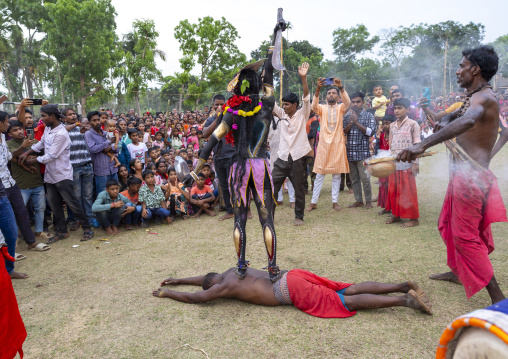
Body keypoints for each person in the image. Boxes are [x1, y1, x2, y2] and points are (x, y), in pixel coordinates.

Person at [397, 45, 507, 304]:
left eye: (462, 66)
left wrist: (422, 144)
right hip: (463, 176)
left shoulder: (485, 98)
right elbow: (451, 119)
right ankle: (458, 271)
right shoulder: (473, 97)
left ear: (475, 70)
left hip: (472, 179)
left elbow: (469, 121)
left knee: (465, 236)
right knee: (446, 224)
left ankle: (499, 299)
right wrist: (440, 120)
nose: (457, 71)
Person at [183, 19, 286, 282]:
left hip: (240, 169)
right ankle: (272, 268)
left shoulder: (231, 114)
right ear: (258, 86)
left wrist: (194, 174)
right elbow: (270, 75)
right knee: (266, 219)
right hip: (260, 166)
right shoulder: (267, 104)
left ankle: (241, 266)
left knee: (239, 219)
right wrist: (274, 41)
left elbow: (211, 142)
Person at [152, 267, 433, 317]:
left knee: (344, 301)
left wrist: (167, 294)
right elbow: (202, 279)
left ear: (215, 286)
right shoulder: (229, 272)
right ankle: (401, 286)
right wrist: (177, 280)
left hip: (288, 289)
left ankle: (404, 300)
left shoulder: (223, 286)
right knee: (347, 287)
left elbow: (196, 297)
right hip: (293, 274)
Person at [20, 105, 94, 242]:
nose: (41, 119)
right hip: (50, 175)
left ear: (52, 117)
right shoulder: (48, 129)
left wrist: (33, 160)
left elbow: (52, 155)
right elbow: (40, 144)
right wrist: (27, 153)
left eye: (43, 116)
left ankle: (87, 228)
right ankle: (61, 231)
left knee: (72, 203)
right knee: (55, 205)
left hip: (62, 175)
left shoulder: (61, 134)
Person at [271, 62, 312, 226]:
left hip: (298, 158)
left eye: (287, 104)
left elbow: (306, 98)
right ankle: (269, 216)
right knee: (271, 189)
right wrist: (265, 81)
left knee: (299, 190)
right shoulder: (281, 114)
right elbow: (270, 100)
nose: (284, 107)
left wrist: (303, 78)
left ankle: (299, 217)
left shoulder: (303, 114)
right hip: (281, 159)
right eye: (283, 104)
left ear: (295, 105)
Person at [306, 77, 350, 212]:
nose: (331, 95)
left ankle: (335, 202)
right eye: (329, 93)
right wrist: (318, 89)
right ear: (326, 97)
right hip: (324, 145)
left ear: (338, 97)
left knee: (336, 175)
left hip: (338, 144)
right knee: (320, 174)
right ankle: (313, 202)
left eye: (334, 93)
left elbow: (348, 102)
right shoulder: (322, 108)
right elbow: (313, 106)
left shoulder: (341, 108)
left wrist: (341, 87)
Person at [6, 120, 53, 243]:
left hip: (37, 182)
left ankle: (39, 231)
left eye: (20, 129)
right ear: (9, 133)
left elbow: (45, 155)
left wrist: (35, 158)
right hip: (21, 184)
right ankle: (14, 236)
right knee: (19, 211)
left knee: (40, 208)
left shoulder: (34, 142)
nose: (19, 132)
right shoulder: (8, 144)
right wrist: (24, 150)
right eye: (15, 130)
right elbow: (11, 156)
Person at [385, 98, 421, 228]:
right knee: (394, 189)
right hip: (395, 163)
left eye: (400, 108)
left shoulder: (413, 124)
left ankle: (413, 218)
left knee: (408, 191)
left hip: (408, 163)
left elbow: (417, 145)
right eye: (395, 108)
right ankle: (396, 214)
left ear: (407, 109)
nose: (396, 110)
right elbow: (391, 145)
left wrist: (416, 162)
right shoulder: (392, 126)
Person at [202, 94, 235, 221]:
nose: (219, 107)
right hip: (218, 156)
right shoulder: (211, 120)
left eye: (222, 104)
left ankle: (243, 209)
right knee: (224, 185)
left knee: (236, 184)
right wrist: (217, 119)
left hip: (232, 155)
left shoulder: (231, 116)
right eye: (217, 104)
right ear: (213, 105)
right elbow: (204, 133)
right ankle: (229, 210)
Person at [63, 108, 97, 228]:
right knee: (76, 196)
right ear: (64, 118)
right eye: (69, 114)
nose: (73, 116)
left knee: (88, 195)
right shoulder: (63, 130)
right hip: (73, 167)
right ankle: (79, 219)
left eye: (74, 114)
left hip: (87, 165)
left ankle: (89, 217)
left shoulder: (82, 129)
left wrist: (85, 129)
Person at [343, 92, 377, 209]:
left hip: (363, 153)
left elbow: (371, 132)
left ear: (363, 103)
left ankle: (368, 201)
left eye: (358, 102)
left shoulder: (368, 116)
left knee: (365, 179)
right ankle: (358, 200)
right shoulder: (347, 116)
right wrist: (351, 122)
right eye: (353, 102)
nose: (355, 104)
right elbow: (344, 132)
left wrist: (356, 122)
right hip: (350, 153)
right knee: (354, 179)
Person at [84, 111, 119, 195]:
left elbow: (117, 149)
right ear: (89, 122)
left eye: (98, 120)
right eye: (94, 120)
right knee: (103, 195)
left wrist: (110, 147)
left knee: (115, 194)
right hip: (101, 171)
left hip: (113, 169)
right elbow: (93, 149)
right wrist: (107, 143)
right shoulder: (88, 134)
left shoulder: (107, 133)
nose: (97, 122)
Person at [376, 114, 395, 215]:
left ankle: (393, 207)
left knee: (391, 185)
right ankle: (386, 207)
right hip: (383, 164)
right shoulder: (382, 136)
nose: (385, 126)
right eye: (383, 124)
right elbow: (380, 148)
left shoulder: (396, 135)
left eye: (387, 123)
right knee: (383, 185)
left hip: (392, 164)